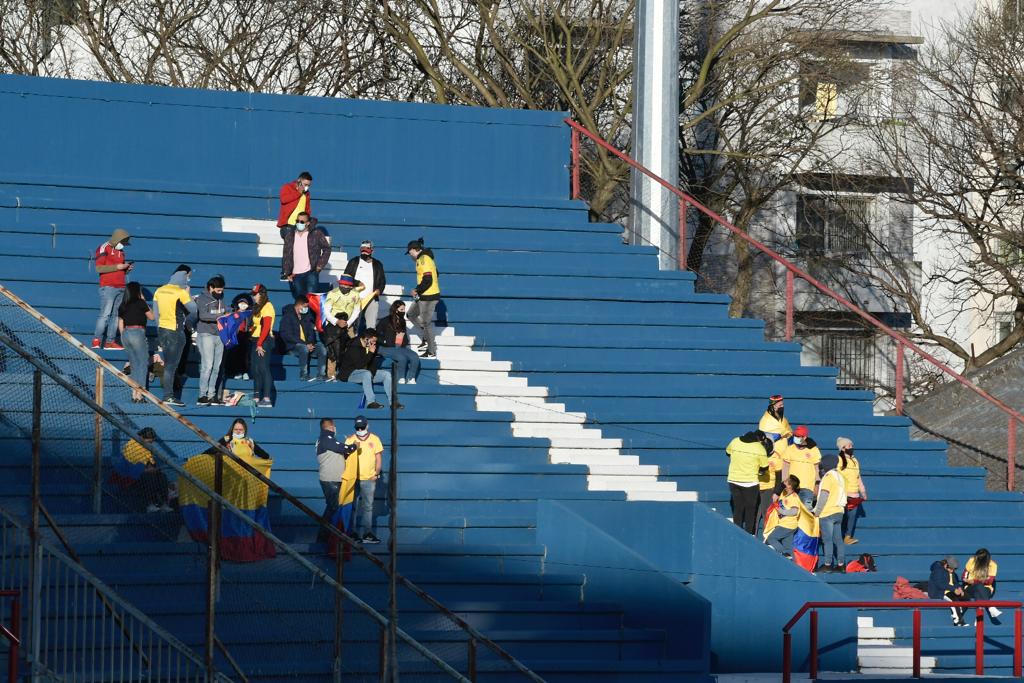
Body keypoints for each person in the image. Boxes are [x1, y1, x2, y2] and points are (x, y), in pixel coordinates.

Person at [152, 265, 195, 407]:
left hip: (162, 330)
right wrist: (188, 323)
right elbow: (194, 310)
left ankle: (168, 394)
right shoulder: (180, 291)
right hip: (176, 331)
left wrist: (160, 328)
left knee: (169, 365)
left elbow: (156, 314)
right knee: (171, 366)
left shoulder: (159, 290)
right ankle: (168, 395)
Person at [315, 418, 357, 541]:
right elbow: (344, 448)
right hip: (330, 479)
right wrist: (354, 445)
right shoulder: (325, 439)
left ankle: (328, 536)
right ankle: (323, 537)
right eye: (334, 426)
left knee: (332, 507)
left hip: (332, 478)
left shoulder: (327, 440)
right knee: (333, 507)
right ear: (331, 427)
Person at [112, 427, 172, 512]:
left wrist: (153, 469)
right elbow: (133, 468)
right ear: (142, 438)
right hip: (131, 477)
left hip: (144, 473)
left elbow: (150, 464)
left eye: (151, 441)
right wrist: (149, 470)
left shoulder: (146, 448)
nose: (151, 443)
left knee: (162, 476)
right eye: (149, 441)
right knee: (149, 477)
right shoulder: (132, 446)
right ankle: (150, 504)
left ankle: (164, 504)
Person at [345, 415, 384, 544]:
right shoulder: (350, 440)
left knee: (368, 507)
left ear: (367, 426)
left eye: (362, 427)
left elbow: (378, 458)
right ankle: (353, 534)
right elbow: (345, 458)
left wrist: (377, 474)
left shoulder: (375, 439)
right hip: (353, 479)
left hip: (369, 479)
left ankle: (367, 534)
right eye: (358, 427)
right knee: (353, 507)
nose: (360, 429)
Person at [724, 430, 771, 535]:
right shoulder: (759, 448)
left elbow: (727, 453)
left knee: (738, 507)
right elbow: (764, 468)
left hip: (734, 480)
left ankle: (737, 531)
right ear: (759, 440)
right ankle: (748, 534)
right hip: (750, 483)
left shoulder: (735, 441)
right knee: (750, 509)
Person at [93, 228, 133, 350]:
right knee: (105, 314)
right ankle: (96, 340)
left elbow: (118, 270)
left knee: (116, 316)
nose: (124, 245)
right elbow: (99, 268)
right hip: (108, 286)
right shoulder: (103, 248)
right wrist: (118, 266)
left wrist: (126, 269)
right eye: (124, 242)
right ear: (117, 239)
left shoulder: (121, 252)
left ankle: (110, 342)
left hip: (121, 286)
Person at [338, 329, 398, 410]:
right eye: (373, 341)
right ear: (366, 339)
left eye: (375, 341)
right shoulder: (354, 346)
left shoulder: (370, 346)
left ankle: (393, 402)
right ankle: (371, 402)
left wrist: (371, 375)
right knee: (366, 374)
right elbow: (359, 365)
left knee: (386, 374)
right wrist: (370, 353)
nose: (374, 343)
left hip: (365, 373)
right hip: (350, 373)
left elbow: (373, 365)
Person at [117, 281, 154, 402]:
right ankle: (140, 393)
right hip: (138, 332)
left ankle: (134, 393)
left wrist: (123, 335)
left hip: (126, 333)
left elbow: (121, 322)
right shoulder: (140, 302)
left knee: (134, 364)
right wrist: (143, 300)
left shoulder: (123, 304)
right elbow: (152, 317)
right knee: (142, 363)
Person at [280, 212, 331, 300]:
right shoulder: (290, 235)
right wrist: (287, 272)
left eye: (302, 222)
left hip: (311, 272)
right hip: (296, 274)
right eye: (297, 221)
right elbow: (286, 254)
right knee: (300, 302)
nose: (299, 223)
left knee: (311, 301)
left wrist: (319, 266)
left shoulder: (316, 233)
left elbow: (327, 249)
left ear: (308, 223)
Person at [194, 275, 228, 406]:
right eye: (218, 290)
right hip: (206, 334)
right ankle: (202, 395)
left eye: (222, 290)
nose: (220, 293)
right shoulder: (202, 299)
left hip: (219, 335)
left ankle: (211, 395)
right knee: (207, 366)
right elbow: (203, 315)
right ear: (211, 288)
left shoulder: (221, 298)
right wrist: (221, 315)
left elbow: (225, 310)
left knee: (216, 366)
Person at [406, 239, 441, 359]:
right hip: (424, 295)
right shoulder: (424, 259)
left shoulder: (423, 259)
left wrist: (417, 289)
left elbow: (428, 280)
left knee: (426, 323)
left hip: (429, 296)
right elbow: (436, 273)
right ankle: (426, 338)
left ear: (414, 250)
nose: (410, 255)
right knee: (411, 314)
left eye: (409, 252)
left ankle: (431, 351)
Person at [813, 454, 846, 573]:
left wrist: (817, 512)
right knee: (838, 539)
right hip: (839, 511)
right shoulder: (840, 476)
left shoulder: (828, 477)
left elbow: (823, 496)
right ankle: (841, 564)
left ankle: (827, 564)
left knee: (827, 540)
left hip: (827, 513)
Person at [280, 297, 327, 381]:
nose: (307, 309)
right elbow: (287, 335)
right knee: (303, 348)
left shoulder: (306, 317)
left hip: (307, 346)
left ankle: (321, 374)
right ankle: (304, 375)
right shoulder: (287, 317)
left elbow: (311, 333)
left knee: (321, 347)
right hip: (293, 347)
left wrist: (310, 343)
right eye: (305, 306)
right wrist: (305, 344)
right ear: (299, 305)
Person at [345, 241, 386, 334]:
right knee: (352, 323)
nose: (364, 252)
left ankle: (369, 346)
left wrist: (380, 290)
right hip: (355, 298)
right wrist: (357, 282)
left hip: (371, 298)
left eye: (366, 249)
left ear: (372, 250)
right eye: (362, 249)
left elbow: (382, 281)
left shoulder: (378, 264)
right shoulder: (354, 261)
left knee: (371, 325)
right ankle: (352, 344)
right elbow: (346, 278)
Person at [376, 300, 420, 384]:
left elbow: (404, 336)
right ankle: (401, 378)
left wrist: (404, 341)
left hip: (400, 347)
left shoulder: (402, 321)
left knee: (414, 356)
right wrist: (385, 341)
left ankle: (411, 378)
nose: (403, 312)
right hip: (386, 347)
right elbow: (376, 335)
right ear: (396, 310)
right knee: (402, 358)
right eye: (402, 310)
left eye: (404, 310)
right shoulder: (385, 321)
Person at [836, 437, 868, 545]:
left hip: (854, 495)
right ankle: (838, 537)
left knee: (852, 517)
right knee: (842, 517)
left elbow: (858, 477)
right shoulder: (839, 460)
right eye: (849, 446)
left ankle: (847, 537)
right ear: (843, 448)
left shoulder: (855, 461)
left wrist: (863, 492)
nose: (852, 448)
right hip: (843, 495)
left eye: (852, 446)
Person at [779, 425, 821, 508]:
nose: (796, 437)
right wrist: (785, 483)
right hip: (792, 487)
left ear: (804, 437)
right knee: (791, 511)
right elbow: (785, 467)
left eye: (798, 436)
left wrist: (817, 486)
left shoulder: (813, 450)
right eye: (795, 435)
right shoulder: (789, 449)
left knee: (806, 512)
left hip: (808, 488)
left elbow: (818, 469)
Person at [248, 284, 276, 408]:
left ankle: (266, 398)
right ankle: (256, 397)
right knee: (255, 369)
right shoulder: (257, 307)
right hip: (255, 339)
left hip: (263, 341)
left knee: (263, 368)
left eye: (255, 294)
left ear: (262, 294)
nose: (253, 297)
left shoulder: (268, 306)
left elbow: (266, 327)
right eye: (253, 294)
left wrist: (260, 343)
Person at [765, 475, 802, 557]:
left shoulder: (794, 497)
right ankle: (791, 562)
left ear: (789, 486)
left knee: (771, 538)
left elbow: (794, 511)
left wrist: (781, 511)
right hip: (787, 524)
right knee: (788, 545)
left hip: (787, 525)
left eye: (786, 481)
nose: (783, 482)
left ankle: (783, 554)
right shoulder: (785, 494)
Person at [963, 548, 1002, 623]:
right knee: (978, 586)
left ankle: (978, 619)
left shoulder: (992, 565)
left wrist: (974, 581)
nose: (977, 560)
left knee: (979, 589)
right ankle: (990, 606)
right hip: (970, 588)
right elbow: (964, 576)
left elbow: (989, 581)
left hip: (986, 588)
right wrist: (966, 580)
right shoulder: (972, 560)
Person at [928, 556, 969, 627]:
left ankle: (959, 612)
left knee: (967, 597)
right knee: (954, 600)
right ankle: (958, 621)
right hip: (940, 591)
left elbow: (955, 583)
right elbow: (940, 584)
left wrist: (959, 589)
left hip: (950, 590)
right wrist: (953, 589)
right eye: (951, 568)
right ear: (946, 565)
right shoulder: (938, 571)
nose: (952, 571)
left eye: (954, 569)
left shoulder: (952, 573)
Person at [223, 293, 254, 381]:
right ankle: (233, 372)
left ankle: (244, 371)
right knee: (232, 354)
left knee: (244, 354)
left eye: (245, 304)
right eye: (241, 303)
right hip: (233, 336)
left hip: (244, 336)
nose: (243, 306)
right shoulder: (232, 313)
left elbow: (250, 324)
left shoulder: (248, 314)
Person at [756, 439, 784, 533]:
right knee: (754, 514)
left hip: (769, 489)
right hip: (755, 487)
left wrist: (776, 492)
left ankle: (767, 536)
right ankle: (752, 534)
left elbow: (779, 478)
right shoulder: (758, 453)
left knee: (767, 513)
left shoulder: (777, 457)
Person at [321, 311, 351, 381]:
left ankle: (340, 375)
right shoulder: (330, 328)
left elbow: (348, 341)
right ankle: (331, 376)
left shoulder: (344, 330)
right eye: (344, 320)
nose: (345, 322)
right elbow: (328, 341)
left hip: (341, 353)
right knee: (332, 357)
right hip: (332, 353)